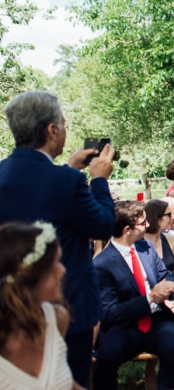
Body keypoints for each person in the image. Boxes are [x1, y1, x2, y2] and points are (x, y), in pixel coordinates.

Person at [0, 90, 115, 387]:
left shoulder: (5, 173)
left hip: (10, 308)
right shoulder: (68, 183)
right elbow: (103, 226)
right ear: (52, 130)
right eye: (62, 124)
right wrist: (99, 179)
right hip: (67, 303)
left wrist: (69, 169)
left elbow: (42, 200)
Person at [92, 201, 174, 390]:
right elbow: (110, 312)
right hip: (125, 326)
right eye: (142, 223)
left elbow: (165, 274)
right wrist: (149, 299)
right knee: (106, 358)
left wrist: (166, 288)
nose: (148, 225)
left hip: (157, 320)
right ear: (127, 230)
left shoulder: (146, 248)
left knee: (173, 348)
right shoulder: (102, 264)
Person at [0, 221, 83, 390]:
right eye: (55, 264)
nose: (63, 270)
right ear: (29, 277)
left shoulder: (57, 318)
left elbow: (63, 383)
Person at [144, 199, 174, 388]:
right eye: (170, 214)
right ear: (157, 217)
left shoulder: (170, 237)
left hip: (173, 293)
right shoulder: (140, 242)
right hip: (152, 297)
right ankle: (149, 370)